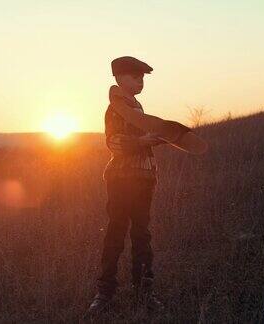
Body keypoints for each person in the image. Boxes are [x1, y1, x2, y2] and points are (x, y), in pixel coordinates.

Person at [86, 56, 166, 317]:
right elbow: (115, 143)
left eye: (142, 77)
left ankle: (144, 293)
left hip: (144, 181)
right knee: (116, 235)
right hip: (121, 181)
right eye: (136, 76)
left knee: (142, 236)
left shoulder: (138, 108)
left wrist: (161, 137)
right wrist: (144, 140)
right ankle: (104, 293)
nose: (141, 81)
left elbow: (141, 142)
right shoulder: (116, 109)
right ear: (120, 78)